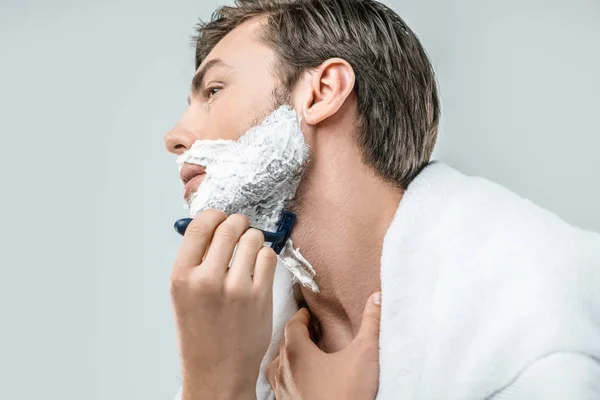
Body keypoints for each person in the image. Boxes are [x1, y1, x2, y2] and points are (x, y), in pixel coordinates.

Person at [163, 1, 600, 399]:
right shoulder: (251, 347)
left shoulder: (544, 327)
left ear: (321, 92)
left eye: (214, 90)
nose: (175, 137)